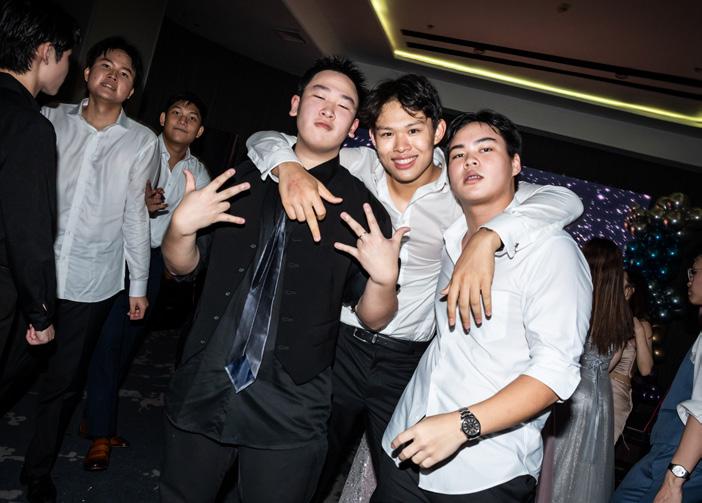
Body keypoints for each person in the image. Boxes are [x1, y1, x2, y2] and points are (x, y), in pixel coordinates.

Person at [246, 75, 583, 501]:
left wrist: (488, 236)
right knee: (304, 460)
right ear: (372, 137)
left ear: (437, 131)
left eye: (413, 130)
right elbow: (266, 140)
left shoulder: (462, 190)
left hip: (406, 363)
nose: (401, 146)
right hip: (340, 345)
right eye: (387, 133)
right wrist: (290, 168)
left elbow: (565, 201)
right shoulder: (355, 168)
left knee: (404, 470)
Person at [159, 56, 406, 503]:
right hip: (208, 373)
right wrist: (179, 229)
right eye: (319, 96)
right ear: (295, 105)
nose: (329, 109)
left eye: (344, 105)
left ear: (353, 127)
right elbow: (181, 268)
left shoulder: (362, 210)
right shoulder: (239, 179)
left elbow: (373, 318)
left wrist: (384, 280)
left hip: (293, 395)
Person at [377, 110, 592, 502]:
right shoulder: (452, 239)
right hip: (408, 443)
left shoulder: (553, 252)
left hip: (485, 469)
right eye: (457, 154)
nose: (469, 161)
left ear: (515, 164)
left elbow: (555, 373)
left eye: (485, 149)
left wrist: (464, 424)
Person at [18, 36, 159, 503]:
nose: (113, 76)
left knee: (62, 384)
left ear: (131, 90)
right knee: (12, 367)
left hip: (92, 280)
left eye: (124, 72)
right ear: (86, 73)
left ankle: (37, 471)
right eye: (105, 65)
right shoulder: (48, 118)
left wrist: (138, 284)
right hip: (33, 272)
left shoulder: (141, 141)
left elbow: (135, 215)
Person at [82, 92, 210, 471]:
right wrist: (139, 206)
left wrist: (177, 259)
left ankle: (94, 416)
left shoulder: (197, 173)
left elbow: (200, 221)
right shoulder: (137, 147)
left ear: (199, 131)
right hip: (115, 251)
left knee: (129, 340)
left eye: (192, 117)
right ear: (162, 118)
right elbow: (102, 196)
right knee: (108, 339)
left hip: (153, 262)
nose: (183, 120)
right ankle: (100, 433)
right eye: (176, 112)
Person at [0, 0, 79, 407]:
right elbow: (27, 231)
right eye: (68, 58)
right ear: (46, 52)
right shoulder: (31, 125)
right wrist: (41, 312)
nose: (68, 70)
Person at [536, 238, 633, 503]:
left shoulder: (575, 302)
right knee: (587, 472)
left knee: (555, 467)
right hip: (601, 395)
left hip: (572, 392)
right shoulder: (619, 313)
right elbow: (611, 361)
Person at [612, 253, 702, 503]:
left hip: (679, 453)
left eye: (694, 272)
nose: (688, 279)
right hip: (672, 450)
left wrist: (675, 479)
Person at [610, 267, 654, 443]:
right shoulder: (604, 316)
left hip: (616, 393)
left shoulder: (641, 325)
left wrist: (638, 331)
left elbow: (646, 369)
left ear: (630, 290)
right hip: (592, 385)